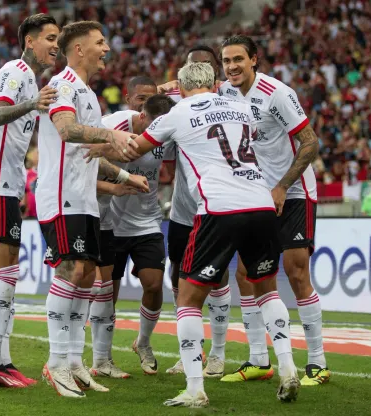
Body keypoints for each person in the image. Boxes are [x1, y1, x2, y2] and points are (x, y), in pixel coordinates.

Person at [101, 62, 300, 407]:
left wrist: (99, 143)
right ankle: (288, 368)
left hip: (218, 209)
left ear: (180, 85)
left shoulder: (176, 114)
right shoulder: (242, 107)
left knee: (188, 299)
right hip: (261, 203)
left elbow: (136, 149)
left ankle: (195, 387)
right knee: (267, 290)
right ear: (214, 82)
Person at [34, 20, 148, 398]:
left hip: (84, 198)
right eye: (100, 43)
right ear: (79, 49)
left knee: (87, 277)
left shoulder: (87, 93)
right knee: (72, 271)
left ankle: (73, 360)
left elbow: (92, 150)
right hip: (61, 194)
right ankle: (55, 363)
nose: (107, 49)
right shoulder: (63, 85)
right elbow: (67, 130)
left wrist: (124, 175)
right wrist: (111, 135)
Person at [219, 35, 330, 386]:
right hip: (255, 195)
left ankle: (317, 362)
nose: (232, 66)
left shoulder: (277, 93)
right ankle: (258, 360)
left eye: (239, 59)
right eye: (227, 61)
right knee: (246, 275)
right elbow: (189, 84)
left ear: (254, 59)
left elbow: (310, 141)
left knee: (296, 273)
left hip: (293, 192)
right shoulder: (225, 92)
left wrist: (282, 185)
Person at [0, 13, 60, 389]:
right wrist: (33, 104)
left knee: (8, 273)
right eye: (50, 38)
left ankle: (2, 361)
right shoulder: (15, 72)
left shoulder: (30, 80)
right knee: (5, 273)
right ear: (30, 41)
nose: (56, 45)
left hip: (6, 185)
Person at [85, 94, 176, 378]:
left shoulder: (168, 131)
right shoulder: (111, 127)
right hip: (109, 222)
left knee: (153, 283)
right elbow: (84, 165)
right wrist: (115, 187)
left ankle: (144, 342)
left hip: (147, 221)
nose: (156, 133)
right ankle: (102, 359)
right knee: (106, 295)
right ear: (141, 115)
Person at [159, 45, 234, 380]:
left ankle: (217, 353)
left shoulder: (232, 101)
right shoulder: (176, 104)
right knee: (179, 275)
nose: (198, 70)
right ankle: (191, 351)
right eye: (192, 65)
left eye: (204, 65)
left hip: (217, 205)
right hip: (184, 208)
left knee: (217, 276)